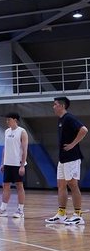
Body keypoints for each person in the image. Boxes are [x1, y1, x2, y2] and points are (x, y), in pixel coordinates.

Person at [46, 96, 88, 225]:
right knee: (61, 185)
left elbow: (84, 130)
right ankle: (61, 214)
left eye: (55, 104)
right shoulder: (61, 120)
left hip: (72, 158)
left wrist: (73, 144)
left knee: (73, 184)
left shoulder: (69, 118)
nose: (53, 106)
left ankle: (78, 215)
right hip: (63, 158)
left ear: (62, 106)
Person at [0, 113, 28, 218]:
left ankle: (20, 210)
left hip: (18, 164)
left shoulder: (22, 132)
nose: (7, 121)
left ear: (15, 120)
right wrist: (2, 163)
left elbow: (25, 150)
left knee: (19, 186)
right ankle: (3, 209)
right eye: (6, 119)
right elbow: (5, 148)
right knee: (5, 186)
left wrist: (22, 165)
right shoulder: (7, 131)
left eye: (9, 119)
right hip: (8, 163)